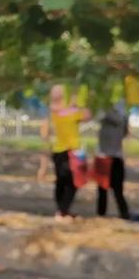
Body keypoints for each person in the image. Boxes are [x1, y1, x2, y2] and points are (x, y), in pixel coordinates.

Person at [49, 84, 90, 221]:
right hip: (70, 151)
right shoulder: (70, 112)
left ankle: (62, 210)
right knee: (72, 182)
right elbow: (87, 115)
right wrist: (79, 102)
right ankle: (62, 211)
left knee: (61, 181)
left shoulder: (56, 112)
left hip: (60, 150)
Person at [97, 102, 132, 219]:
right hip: (107, 156)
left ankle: (121, 213)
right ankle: (105, 213)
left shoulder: (114, 111)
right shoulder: (116, 112)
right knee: (107, 189)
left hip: (113, 156)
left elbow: (124, 130)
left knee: (114, 189)